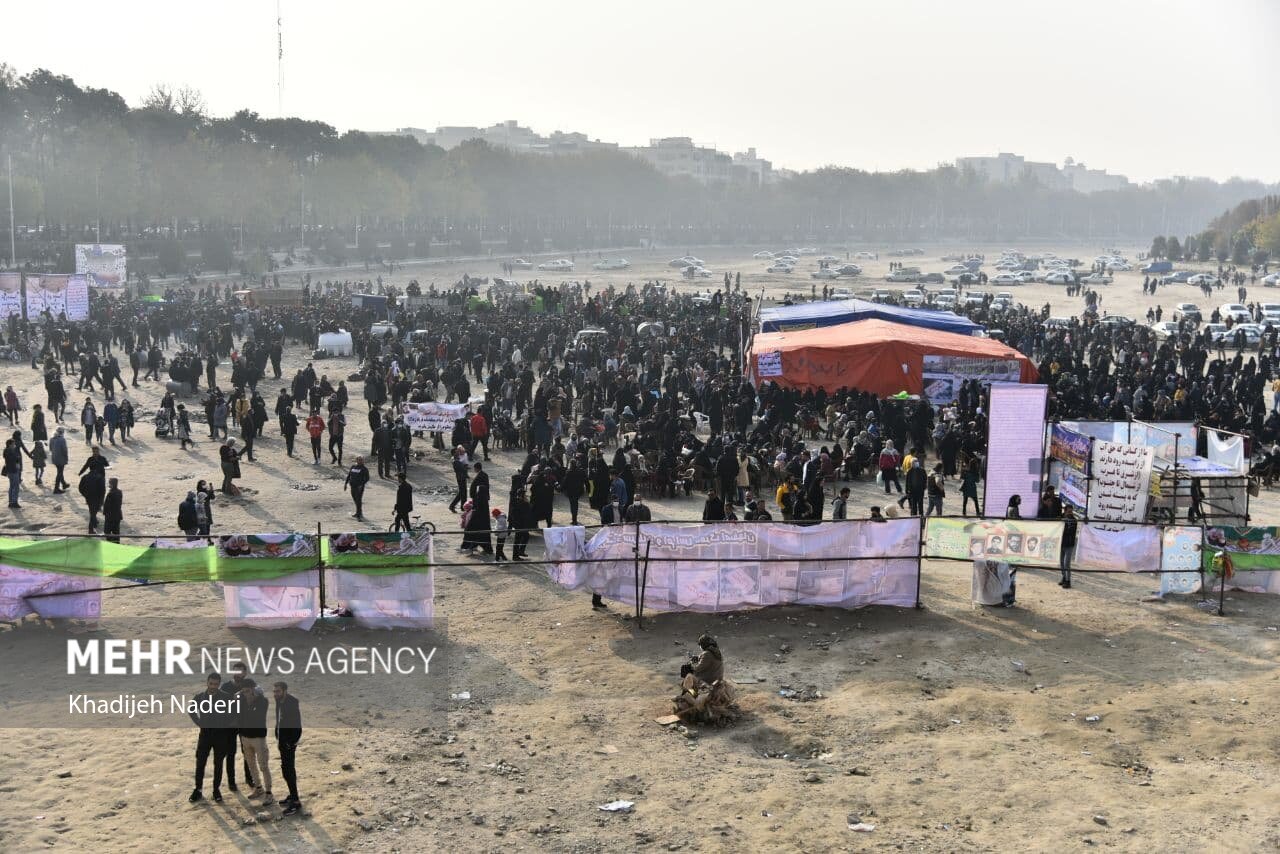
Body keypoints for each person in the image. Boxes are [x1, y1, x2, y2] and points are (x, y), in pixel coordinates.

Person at [672, 634, 738, 726]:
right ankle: (690, 695)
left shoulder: (706, 654)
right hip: (716, 681)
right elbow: (707, 662)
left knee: (688, 676)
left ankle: (689, 695)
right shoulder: (716, 652)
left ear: (703, 645)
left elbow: (698, 668)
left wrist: (691, 664)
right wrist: (697, 658)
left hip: (707, 682)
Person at [189, 672, 234, 803]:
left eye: (216, 684)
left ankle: (216, 790)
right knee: (200, 763)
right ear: (207, 683)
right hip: (205, 735)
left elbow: (233, 713)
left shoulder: (226, 697)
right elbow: (191, 710)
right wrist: (199, 723)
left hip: (221, 736)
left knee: (218, 763)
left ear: (219, 684)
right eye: (211, 683)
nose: (213, 686)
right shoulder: (200, 697)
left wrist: (224, 724)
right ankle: (198, 789)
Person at [237, 679, 274, 805]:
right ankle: (258, 788)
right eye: (244, 691)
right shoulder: (241, 699)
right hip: (245, 737)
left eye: (248, 690)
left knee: (263, 765)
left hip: (258, 738)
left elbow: (258, 716)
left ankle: (269, 793)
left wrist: (251, 700)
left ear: (253, 689)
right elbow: (239, 716)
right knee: (251, 765)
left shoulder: (262, 701)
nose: (246, 693)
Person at [273, 681, 303, 816]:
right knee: (285, 769)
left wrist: (291, 743)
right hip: (282, 741)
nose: (275, 694)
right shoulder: (279, 701)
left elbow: (297, 725)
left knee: (289, 770)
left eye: (278, 691)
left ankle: (295, 802)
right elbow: (279, 719)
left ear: (285, 691)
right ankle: (292, 795)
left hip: (288, 744)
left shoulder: (291, 702)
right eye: (274, 691)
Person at [77, 447, 108, 532]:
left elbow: (106, 464)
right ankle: (92, 525)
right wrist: (80, 472)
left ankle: (94, 521)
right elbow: (85, 466)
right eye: (94, 451)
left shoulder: (102, 458)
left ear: (98, 451)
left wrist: (85, 494)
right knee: (94, 509)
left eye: (96, 451)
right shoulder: (90, 459)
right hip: (95, 482)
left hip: (98, 481)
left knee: (92, 508)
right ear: (92, 452)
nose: (95, 452)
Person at [1060, 504, 1077, 589]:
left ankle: (1068, 581)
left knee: (1067, 563)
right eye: (1068, 511)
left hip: (1069, 544)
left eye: (1071, 511)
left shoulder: (1073, 520)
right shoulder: (1061, 518)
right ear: (1065, 510)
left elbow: (1069, 531)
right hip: (1061, 543)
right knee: (1062, 563)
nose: (1070, 513)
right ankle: (1063, 577)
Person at [448, 446, 469, 513]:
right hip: (460, 477)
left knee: (463, 492)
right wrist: (465, 467)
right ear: (454, 453)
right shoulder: (456, 461)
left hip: (461, 477)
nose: (458, 452)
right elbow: (462, 469)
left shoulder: (457, 459)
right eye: (457, 452)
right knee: (462, 493)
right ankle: (453, 505)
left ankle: (463, 506)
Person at [2, 438, 22, 508]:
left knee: (12, 486)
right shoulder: (10, 451)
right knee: (16, 487)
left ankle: (11, 502)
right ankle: (14, 502)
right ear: (10, 444)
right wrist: (17, 458)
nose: (14, 445)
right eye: (13, 444)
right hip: (13, 470)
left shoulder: (6, 450)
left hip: (9, 470)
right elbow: (13, 460)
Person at [103, 477, 123, 542]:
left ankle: (110, 544)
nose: (108, 484)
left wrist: (104, 512)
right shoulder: (119, 492)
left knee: (107, 532)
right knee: (116, 532)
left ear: (112, 484)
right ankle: (116, 544)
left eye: (109, 483)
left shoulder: (110, 494)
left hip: (110, 516)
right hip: (117, 515)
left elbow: (106, 505)